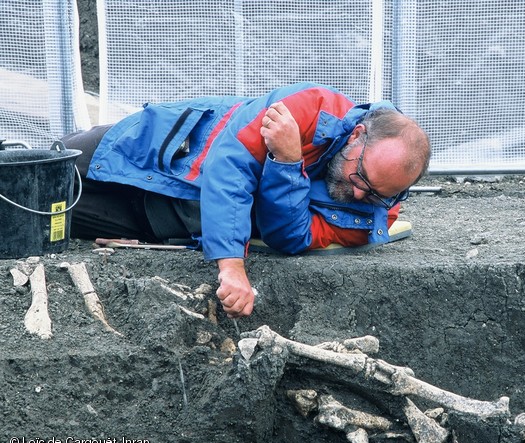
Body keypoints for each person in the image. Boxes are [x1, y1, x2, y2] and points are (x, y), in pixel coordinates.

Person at [62, 82, 431, 318]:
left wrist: (287, 162)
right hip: (147, 146)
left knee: (45, 214)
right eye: (361, 177)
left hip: (158, 217)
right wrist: (231, 266)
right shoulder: (310, 106)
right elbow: (230, 167)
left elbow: (290, 237)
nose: (359, 195)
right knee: (47, 162)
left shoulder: (374, 214)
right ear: (357, 135)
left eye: (381, 193)